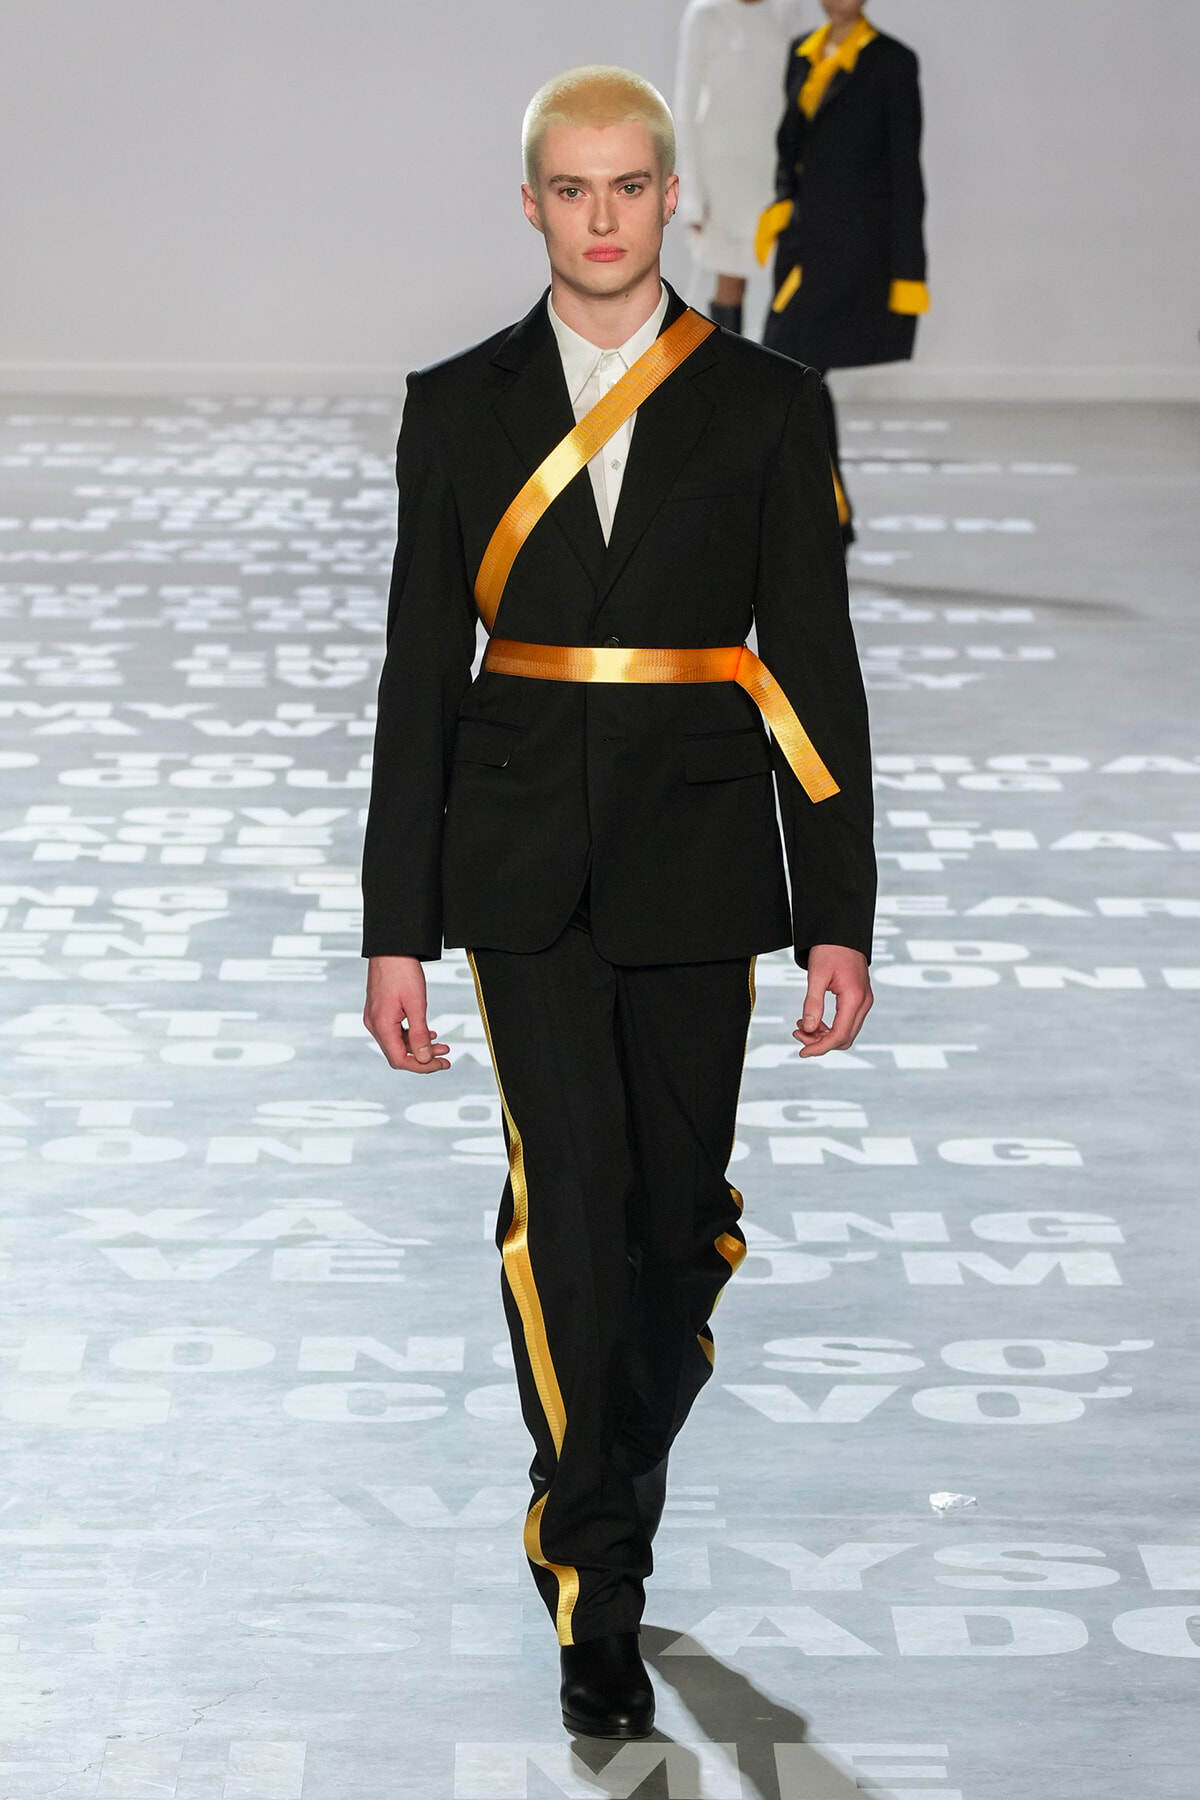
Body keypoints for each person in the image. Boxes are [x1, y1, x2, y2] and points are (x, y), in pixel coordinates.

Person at [361, 64, 875, 1742]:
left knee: (680, 1227)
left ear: (669, 198)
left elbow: (815, 670)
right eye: (571, 189)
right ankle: (597, 1574)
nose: (602, 217)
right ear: (533, 205)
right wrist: (394, 928)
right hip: (518, 864)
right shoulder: (458, 406)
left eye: (629, 186)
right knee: (570, 1212)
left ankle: (604, 1473)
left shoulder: (765, 406)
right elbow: (418, 678)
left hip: (700, 857)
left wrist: (839, 913)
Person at [756, 0, 929, 545]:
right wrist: (784, 203)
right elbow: (790, 143)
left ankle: (829, 512)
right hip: (803, 246)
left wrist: (908, 272)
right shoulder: (802, 52)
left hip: (859, 251)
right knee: (793, 375)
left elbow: (905, 169)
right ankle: (829, 512)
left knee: (788, 371)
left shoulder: (892, 62)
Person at [673, 0, 804, 333]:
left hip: (775, 168)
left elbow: (796, 92)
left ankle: (781, 363)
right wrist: (692, 193)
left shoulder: (784, 12)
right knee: (729, 277)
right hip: (722, 173)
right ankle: (726, 366)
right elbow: (686, 105)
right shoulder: (705, 14)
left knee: (790, 279)